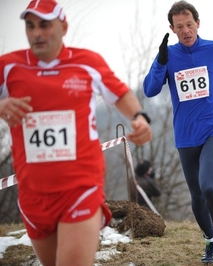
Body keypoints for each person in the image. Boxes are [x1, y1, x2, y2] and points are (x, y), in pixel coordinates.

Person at [0, 0, 152, 265]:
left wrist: (139, 117)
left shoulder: (87, 62)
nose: (36, 33)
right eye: (30, 25)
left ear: (63, 26)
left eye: (45, 25)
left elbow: (120, 93)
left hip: (80, 187)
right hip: (33, 193)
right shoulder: (8, 67)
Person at [143, 0, 213, 264]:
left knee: (208, 186)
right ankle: (209, 243)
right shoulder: (169, 56)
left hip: (212, 128)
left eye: (189, 25)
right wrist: (160, 62)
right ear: (172, 28)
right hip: (184, 135)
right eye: (179, 27)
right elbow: (149, 90)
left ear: (198, 23)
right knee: (195, 195)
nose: (186, 30)